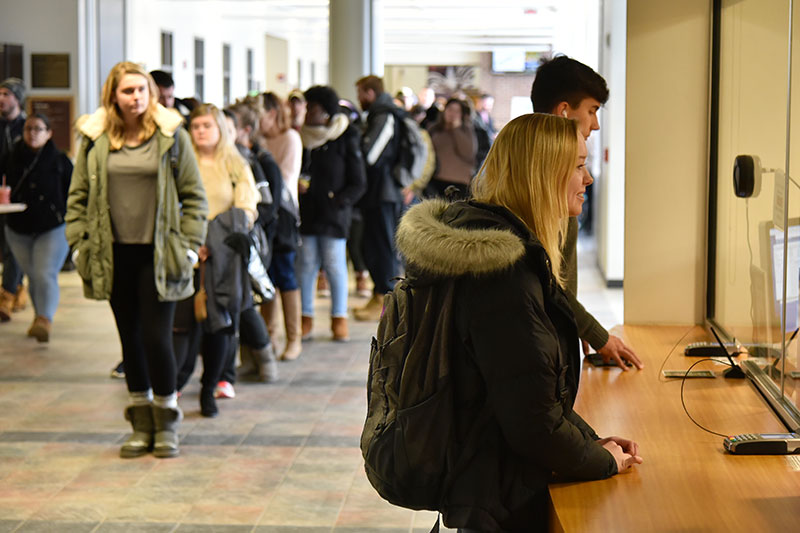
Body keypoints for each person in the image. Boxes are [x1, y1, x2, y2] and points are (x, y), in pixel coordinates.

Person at [394, 113, 643, 531]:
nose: (588, 179)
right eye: (579, 166)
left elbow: (531, 394)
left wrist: (587, 441)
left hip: (486, 487)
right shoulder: (504, 276)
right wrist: (600, 461)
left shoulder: (509, 256)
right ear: (545, 175)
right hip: (495, 501)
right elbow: (531, 425)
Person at [66, 62, 208, 458]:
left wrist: (188, 245)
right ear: (113, 95)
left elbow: (195, 197)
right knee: (129, 340)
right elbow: (76, 198)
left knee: (156, 337)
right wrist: (79, 245)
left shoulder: (169, 136)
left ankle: (166, 421)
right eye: (128, 91)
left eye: (142, 90)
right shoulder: (94, 141)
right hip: (113, 254)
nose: (137, 97)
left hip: (159, 253)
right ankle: (141, 422)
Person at [531, 55, 644, 370]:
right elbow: (548, 283)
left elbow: (559, 277)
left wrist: (577, 322)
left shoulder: (530, 165)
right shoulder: (546, 179)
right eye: (592, 111)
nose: (595, 124)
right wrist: (594, 332)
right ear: (564, 110)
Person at [185, 103, 259, 417]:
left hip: (222, 255)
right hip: (186, 252)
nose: (201, 131)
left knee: (219, 325)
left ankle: (210, 386)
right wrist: (192, 240)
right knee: (184, 325)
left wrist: (214, 240)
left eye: (207, 125)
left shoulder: (234, 162)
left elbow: (247, 207)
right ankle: (175, 380)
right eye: (195, 126)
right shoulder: (181, 161)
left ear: (219, 129)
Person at [297, 85, 366, 341]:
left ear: (325, 112)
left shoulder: (346, 137)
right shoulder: (302, 138)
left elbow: (358, 181)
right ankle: (305, 318)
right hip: (308, 212)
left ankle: (339, 319)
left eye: (311, 107)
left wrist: (339, 201)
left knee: (335, 265)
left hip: (334, 214)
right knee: (306, 266)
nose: (306, 112)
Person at [3, 113, 72, 341]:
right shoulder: (11, 158)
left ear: (49, 133)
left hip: (52, 227)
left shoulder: (59, 160)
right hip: (17, 227)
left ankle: (45, 318)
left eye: (38, 129)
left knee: (45, 273)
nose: (33, 133)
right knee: (33, 275)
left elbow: (72, 192)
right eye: (29, 129)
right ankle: (38, 316)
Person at [353, 75, 403, 321]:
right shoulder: (377, 114)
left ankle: (387, 303)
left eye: (360, 93)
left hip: (384, 193)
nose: (358, 99)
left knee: (383, 246)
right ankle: (378, 295)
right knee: (372, 244)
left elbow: (370, 154)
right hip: (376, 192)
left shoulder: (385, 115)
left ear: (370, 93)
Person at [260, 92, 303, 361]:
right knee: (266, 278)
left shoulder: (290, 138)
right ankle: (269, 336)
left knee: (285, 276)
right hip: (264, 214)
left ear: (272, 113)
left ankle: (294, 338)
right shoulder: (260, 141)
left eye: (260, 114)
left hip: (284, 216)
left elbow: (284, 180)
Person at [0, 77, 29, 321]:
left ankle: (7, 294)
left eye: (7, 94)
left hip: (19, 198)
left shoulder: (28, 127)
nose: (1, 99)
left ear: (17, 99)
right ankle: (18, 287)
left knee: (13, 247)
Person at [427, 97, 477, 200]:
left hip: (459, 183)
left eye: (457, 111)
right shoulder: (435, 129)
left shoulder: (466, 130)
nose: (452, 113)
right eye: (450, 109)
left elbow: (468, 153)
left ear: (461, 115)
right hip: (436, 180)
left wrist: (456, 129)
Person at [472, 92, 496, 171]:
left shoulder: (490, 118)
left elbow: (491, 130)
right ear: (481, 102)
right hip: (478, 153)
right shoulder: (474, 117)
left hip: (486, 153)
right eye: (487, 103)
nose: (489, 106)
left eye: (491, 104)